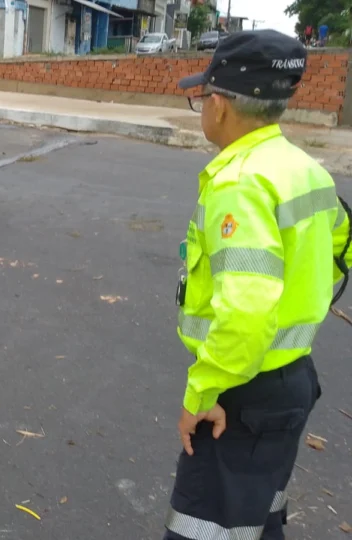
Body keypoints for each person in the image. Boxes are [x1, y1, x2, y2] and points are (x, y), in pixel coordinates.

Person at [167, 29, 351, 540]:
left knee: (202, 528)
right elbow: (343, 247)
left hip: (239, 396)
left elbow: (245, 310)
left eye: (201, 97)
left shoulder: (240, 181)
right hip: (291, 381)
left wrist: (203, 390)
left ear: (220, 106)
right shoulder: (306, 170)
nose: (201, 107)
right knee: (258, 519)